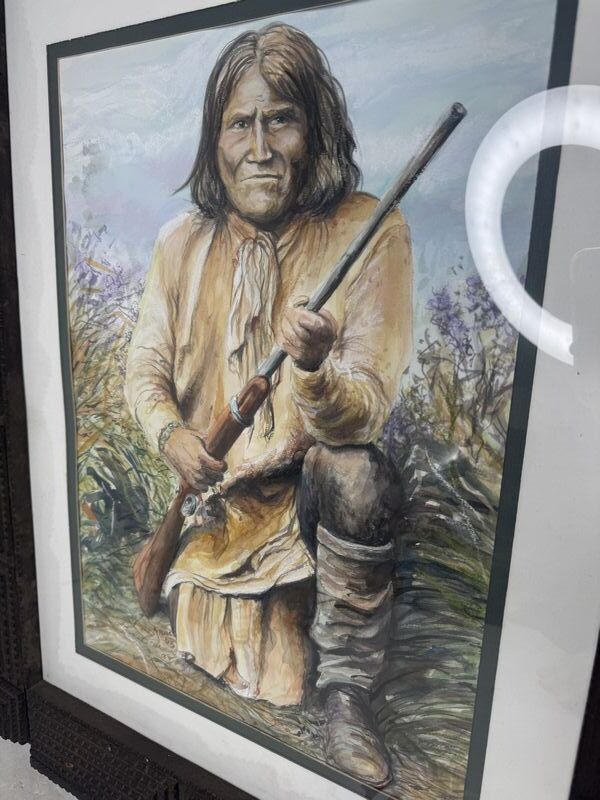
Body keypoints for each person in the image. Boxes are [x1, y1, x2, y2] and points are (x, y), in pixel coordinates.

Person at [125, 22, 412, 788]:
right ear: (214, 141)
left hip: (307, 503)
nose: (259, 147)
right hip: (216, 505)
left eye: (280, 119)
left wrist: (312, 371)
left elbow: (364, 414)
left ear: (314, 129)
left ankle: (349, 693)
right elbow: (144, 369)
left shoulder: (370, 230)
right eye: (239, 124)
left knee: (358, 474)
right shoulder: (180, 242)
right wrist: (174, 438)